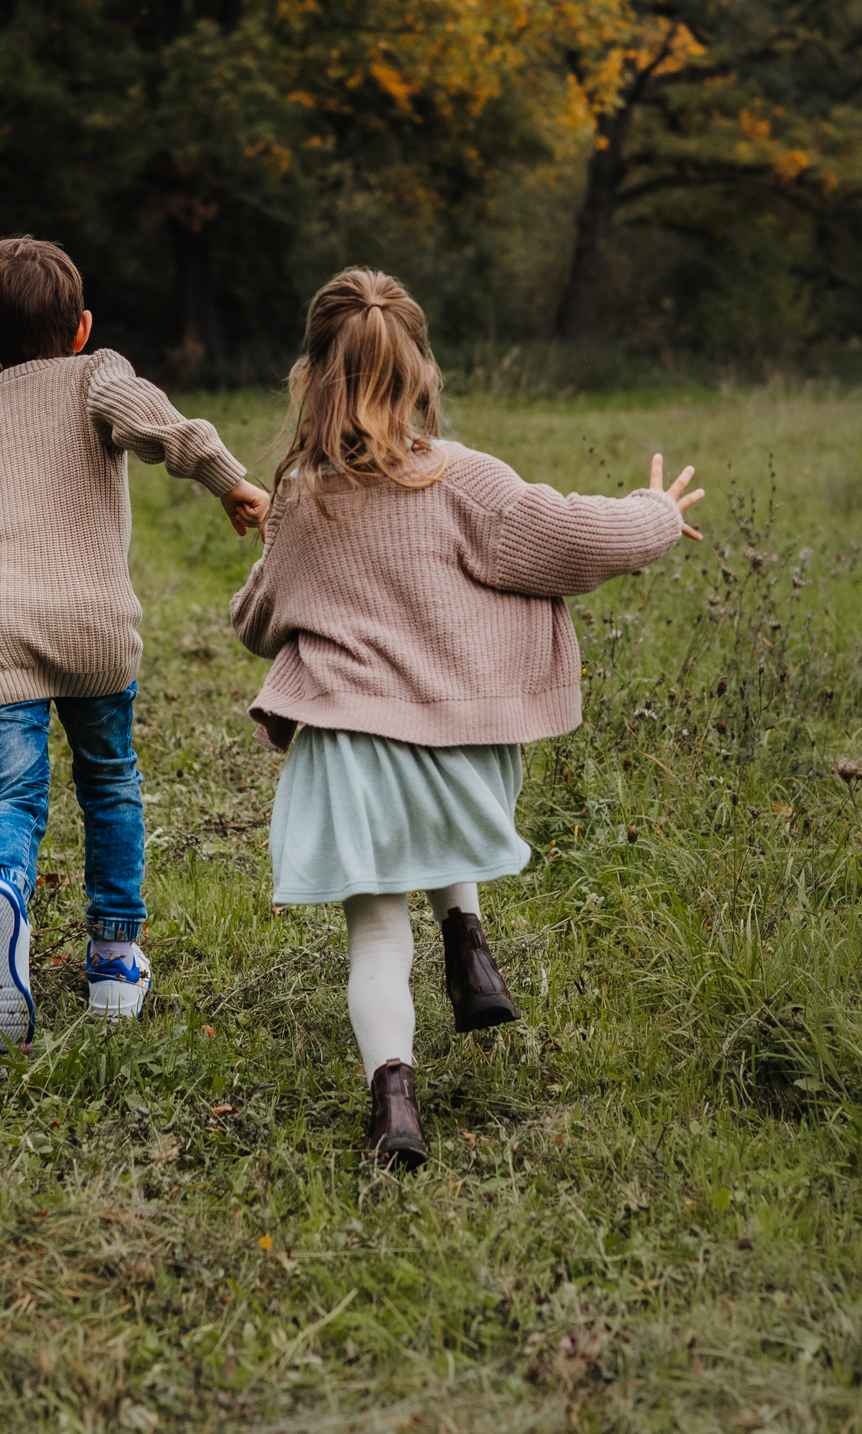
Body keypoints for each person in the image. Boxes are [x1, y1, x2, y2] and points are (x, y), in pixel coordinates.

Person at [229, 267, 702, 1168]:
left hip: (354, 759)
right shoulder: (467, 482)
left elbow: (256, 622)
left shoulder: (300, 500)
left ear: (311, 379)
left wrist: (281, 556)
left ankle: (395, 1103)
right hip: (462, 755)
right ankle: (469, 942)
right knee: (436, 818)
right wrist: (653, 515)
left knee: (374, 935)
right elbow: (574, 537)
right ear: (420, 376)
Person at [0, 235, 270, 1053]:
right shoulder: (98, 377)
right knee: (110, 786)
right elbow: (156, 421)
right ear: (83, 325)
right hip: (93, 632)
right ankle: (114, 960)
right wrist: (225, 477)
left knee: (13, 800)